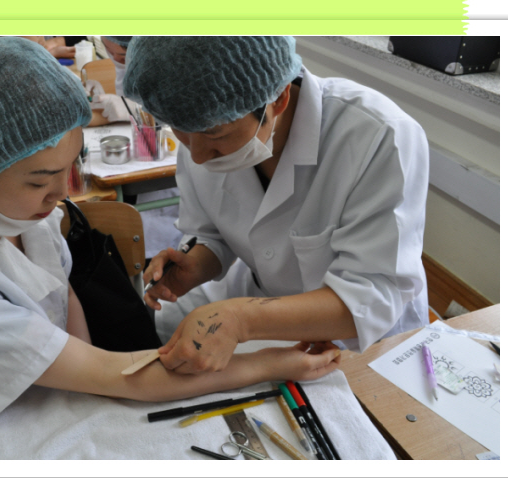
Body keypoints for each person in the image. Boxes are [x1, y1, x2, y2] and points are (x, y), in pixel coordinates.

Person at [0, 36, 341, 423]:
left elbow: (62, 294)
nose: (61, 194)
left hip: (53, 395)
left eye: (70, 168)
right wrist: (270, 363)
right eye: (40, 181)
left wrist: (90, 374)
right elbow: (118, 377)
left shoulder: (22, 215)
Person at [123, 36, 430, 374]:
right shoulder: (202, 122)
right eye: (180, 131)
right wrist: (196, 263)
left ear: (279, 98)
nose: (196, 155)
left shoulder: (379, 136)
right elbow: (213, 232)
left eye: (216, 135)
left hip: (367, 343)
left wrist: (241, 320)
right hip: (263, 307)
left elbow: (370, 299)